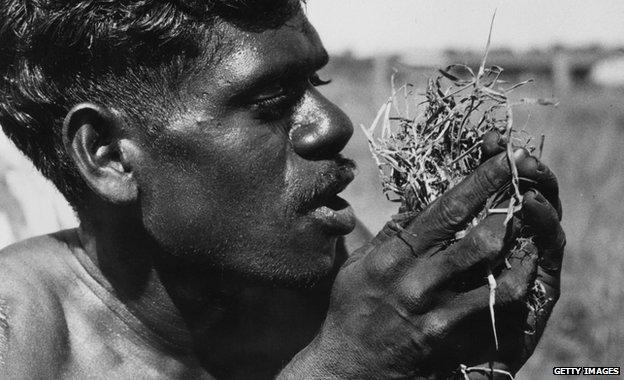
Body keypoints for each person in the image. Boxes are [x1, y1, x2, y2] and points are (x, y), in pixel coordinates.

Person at [0, 0, 565, 379]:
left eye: (315, 83)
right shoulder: (23, 340)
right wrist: (337, 368)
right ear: (109, 155)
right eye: (271, 101)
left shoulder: (335, 281)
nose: (336, 124)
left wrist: (467, 362)